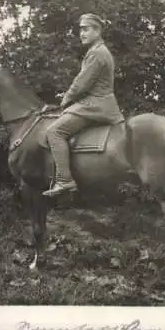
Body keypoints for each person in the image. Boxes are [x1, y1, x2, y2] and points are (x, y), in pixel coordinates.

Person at [43, 13, 124, 197]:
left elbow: (81, 84)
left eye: (86, 29)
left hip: (95, 105)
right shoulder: (98, 51)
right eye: (81, 30)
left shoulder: (97, 53)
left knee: (54, 132)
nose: (82, 33)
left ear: (97, 31)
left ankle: (64, 180)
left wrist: (65, 100)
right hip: (96, 103)